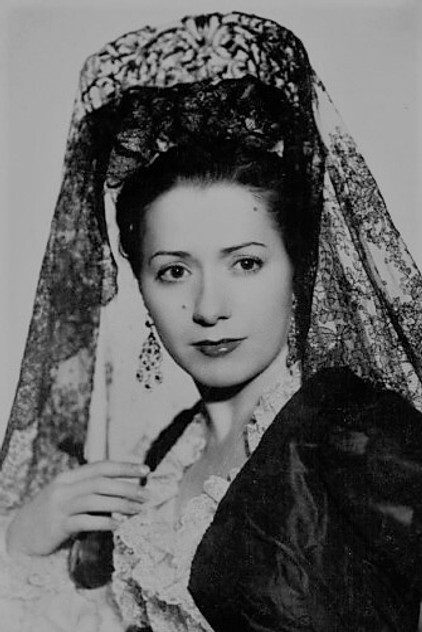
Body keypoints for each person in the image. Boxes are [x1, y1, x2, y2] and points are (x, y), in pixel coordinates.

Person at [1, 10, 422, 632]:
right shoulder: (168, 454)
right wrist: (22, 547)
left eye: (246, 263)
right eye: (174, 271)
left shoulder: (359, 432)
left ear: (299, 268)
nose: (207, 307)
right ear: (141, 285)